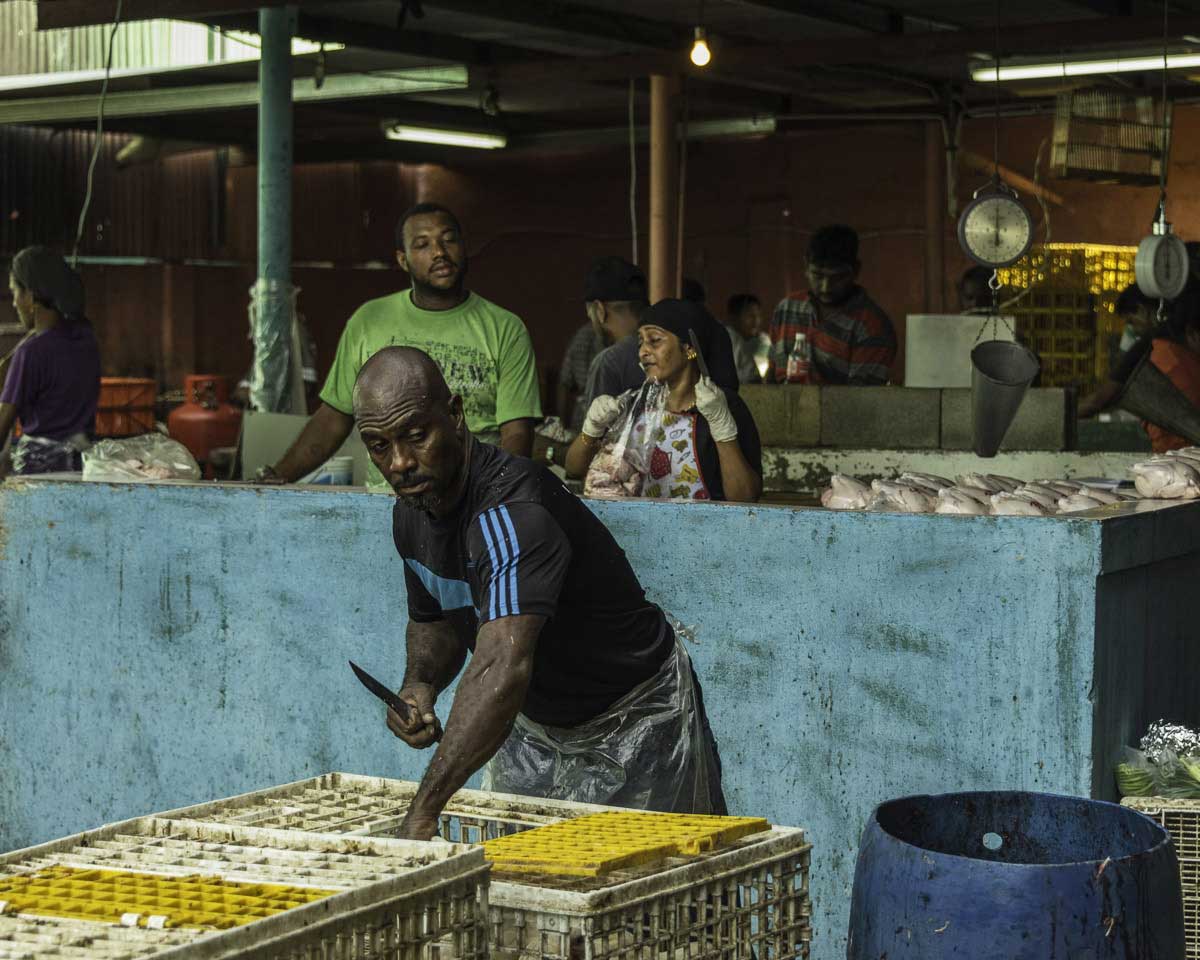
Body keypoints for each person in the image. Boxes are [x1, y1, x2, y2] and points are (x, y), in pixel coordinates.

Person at [353, 346, 726, 837]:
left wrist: (423, 811)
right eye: (379, 446)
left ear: (456, 415)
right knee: (526, 875)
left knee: (649, 874)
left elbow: (501, 667)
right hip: (537, 727)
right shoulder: (412, 513)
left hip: (634, 719)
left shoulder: (513, 512)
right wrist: (420, 684)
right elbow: (437, 617)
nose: (399, 462)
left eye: (417, 436)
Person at [258, 203, 541, 488]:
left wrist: (494, 495)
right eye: (422, 244)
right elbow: (333, 419)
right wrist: (277, 476)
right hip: (388, 498)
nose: (439, 252)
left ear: (464, 247)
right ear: (403, 260)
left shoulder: (505, 328)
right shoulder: (369, 321)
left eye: (448, 239)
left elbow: (517, 434)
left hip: (472, 494)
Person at [565, 299, 762, 502]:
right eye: (640, 342)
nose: (643, 351)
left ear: (689, 349)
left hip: (701, 522)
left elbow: (745, 498)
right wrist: (591, 430)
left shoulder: (722, 408)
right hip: (635, 521)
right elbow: (573, 469)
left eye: (655, 340)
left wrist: (723, 432)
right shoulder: (634, 405)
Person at [0, 247, 100, 477]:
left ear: (31, 296)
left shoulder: (30, 353)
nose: (14, 303)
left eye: (15, 292)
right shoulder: (86, 339)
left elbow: (3, 425)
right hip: (81, 468)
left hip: (38, 472)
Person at [766, 224, 896, 384]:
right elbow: (771, 376)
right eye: (818, 275)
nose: (825, 287)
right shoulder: (786, 309)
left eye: (838, 277)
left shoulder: (872, 328)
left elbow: (861, 398)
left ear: (856, 271)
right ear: (806, 266)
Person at [558, 257, 646, 433]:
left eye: (590, 314)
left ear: (600, 309)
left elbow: (593, 441)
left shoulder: (608, 362)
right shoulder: (669, 346)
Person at [1078, 285, 1166, 420]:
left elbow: (1099, 400)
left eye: (1131, 322)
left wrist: (1062, 417)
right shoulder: (1177, 334)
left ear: (1141, 310)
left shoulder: (1146, 346)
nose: (1132, 330)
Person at [724, 293, 767, 384]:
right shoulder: (728, 338)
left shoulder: (757, 340)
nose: (756, 321)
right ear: (734, 318)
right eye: (750, 316)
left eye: (758, 315)